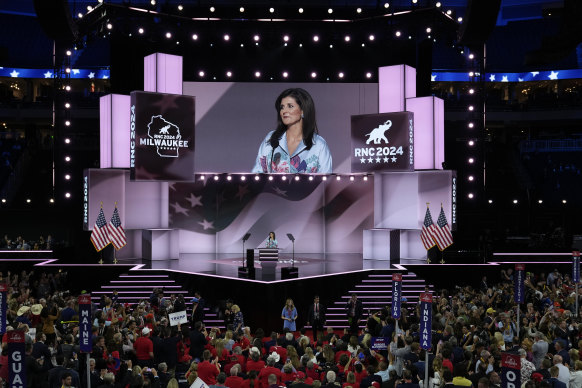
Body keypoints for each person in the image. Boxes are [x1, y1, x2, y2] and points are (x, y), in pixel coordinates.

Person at [252, 88, 332, 174]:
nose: (284, 111)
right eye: (282, 107)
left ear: (303, 111)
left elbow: (326, 181)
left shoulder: (319, 144)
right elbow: (257, 173)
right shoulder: (271, 139)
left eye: (290, 106)